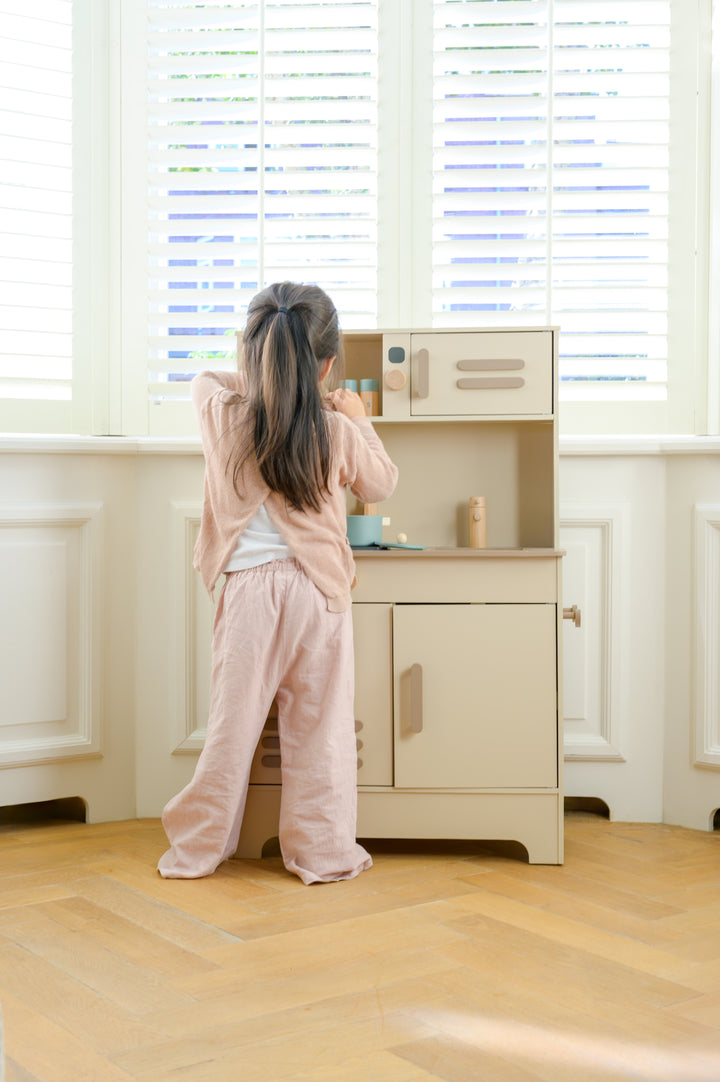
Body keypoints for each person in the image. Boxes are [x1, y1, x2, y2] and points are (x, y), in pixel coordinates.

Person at [158, 282, 398, 884]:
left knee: (231, 730)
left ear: (253, 354)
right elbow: (381, 484)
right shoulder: (336, 431)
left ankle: (196, 849)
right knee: (322, 733)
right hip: (319, 594)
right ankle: (323, 853)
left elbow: (207, 378)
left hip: (248, 598)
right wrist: (357, 417)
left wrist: (267, 380)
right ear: (327, 364)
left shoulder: (222, 414)